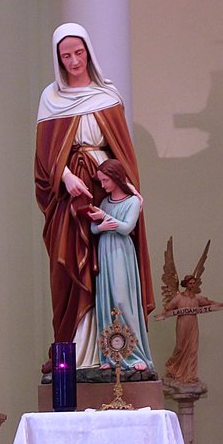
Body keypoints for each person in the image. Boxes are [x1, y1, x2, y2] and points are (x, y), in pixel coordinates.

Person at [35, 23, 153, 370]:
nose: (74, 61)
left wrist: (128, 190)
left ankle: (115, 352)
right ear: (58, 59)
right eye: (66, 56)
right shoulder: (51, 99)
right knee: (70, 265)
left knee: (110, 266)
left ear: (88, 51)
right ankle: (73, 350)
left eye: (78, 53)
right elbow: (44, 156)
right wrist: (66, 176)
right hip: (70, 195)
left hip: (105, 186)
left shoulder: (107, 95)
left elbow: (121, 152)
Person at [89, 159, 153, 371]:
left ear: (116, 178)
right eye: (101, 181)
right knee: (106, 303)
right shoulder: (105, 201)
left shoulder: (132, 201)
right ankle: (111, 357)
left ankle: (135, 355)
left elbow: (126, 228)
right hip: (105, 251)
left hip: (120, 253)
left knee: (122, 300)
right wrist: (100, 226)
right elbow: (93, 229)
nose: (103, 185)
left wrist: (105, 218)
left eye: (105, 180)